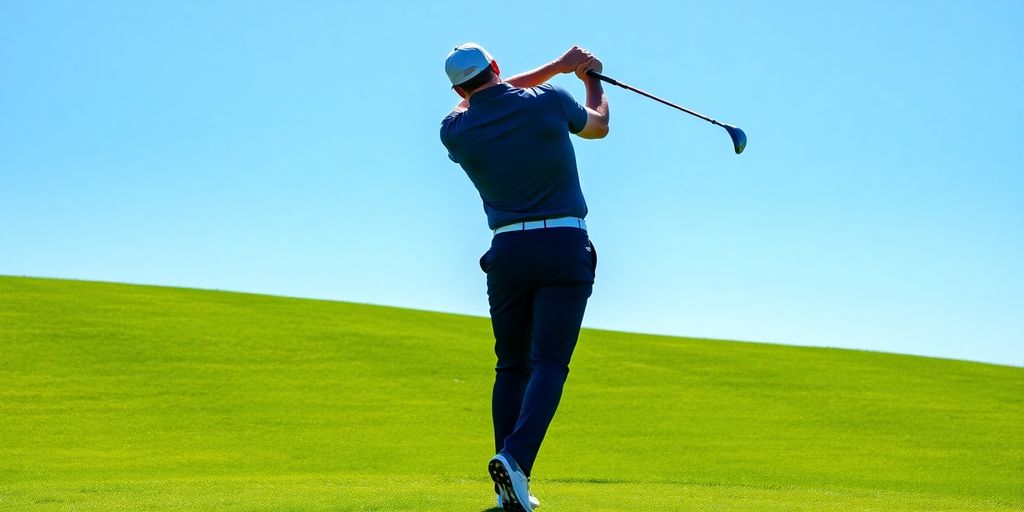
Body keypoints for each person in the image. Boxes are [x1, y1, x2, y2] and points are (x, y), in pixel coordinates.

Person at [439, 43, 610, 512]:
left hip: (508, 251)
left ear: (457, 88)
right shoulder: (551, 100)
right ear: (495, 66)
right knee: (549, 362)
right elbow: (598, 125)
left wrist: (556, 67)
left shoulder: (454, 129)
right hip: (563, 245)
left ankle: (507, 487)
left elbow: (486, 95)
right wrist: (587, 75)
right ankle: (515, 458)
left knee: (510, 365)